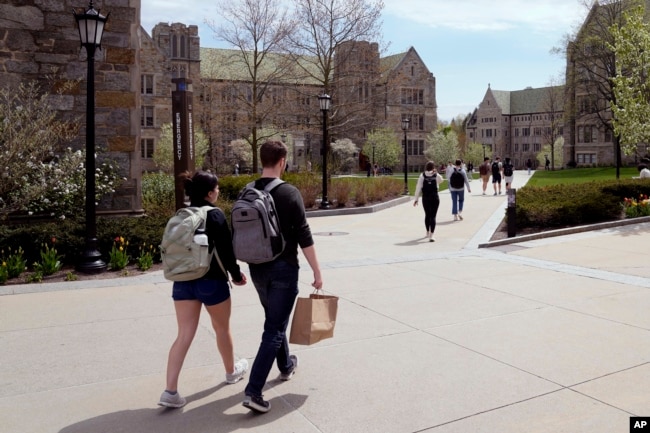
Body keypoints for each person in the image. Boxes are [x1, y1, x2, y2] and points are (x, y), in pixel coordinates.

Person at [243, 140, 323, 414]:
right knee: (274, 329)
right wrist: (317, 270)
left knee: (274, 319)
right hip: (284, 268)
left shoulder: (248, 190)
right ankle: (254, 391)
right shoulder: (289, 192)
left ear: (262, 160)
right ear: (282, 162)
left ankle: (286, 365)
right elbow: (304, 235)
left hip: (256, 268)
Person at [159, 171, 248, 409]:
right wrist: (237, 275)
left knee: (184, 334)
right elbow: (227, 252)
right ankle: (231, 372)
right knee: (221, 328)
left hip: (182, 280)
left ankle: (170, 391)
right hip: (212, 281)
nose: (218, 192)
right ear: (209, 193)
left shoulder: (183, 215)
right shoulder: (215, 215)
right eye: (217, 189)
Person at [413, 161, 443, 242]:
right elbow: (441, 180)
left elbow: (418, 188)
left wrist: (416, 199)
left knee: (427, 215)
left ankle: (427, 231)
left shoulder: (422, 176)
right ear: (433, 167)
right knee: (433, 216)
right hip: (435, 198)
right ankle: (432, 235)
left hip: (425, 198)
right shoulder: (436, 175)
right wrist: (436, 172)